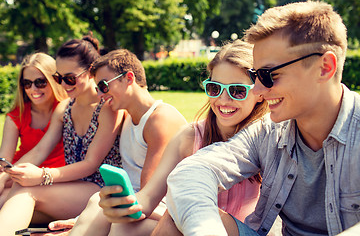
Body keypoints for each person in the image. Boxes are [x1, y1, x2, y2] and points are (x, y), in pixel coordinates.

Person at [165, 0, 360, 236]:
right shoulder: (269, 132)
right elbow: (191, 173)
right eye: (256, 75)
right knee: (176, 216)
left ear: (325, 67)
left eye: (268, 75)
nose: (256, 90)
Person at [97, 39, 269, 236]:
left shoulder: (268, 137)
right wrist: (122, 204)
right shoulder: (189, 136)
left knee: (174, 215)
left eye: (237, 91)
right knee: (122, 226)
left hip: (246, 231)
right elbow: (147, 199)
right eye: (214, 88)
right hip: (194, 228)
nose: (222, 100)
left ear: (259, 93)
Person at [41, 48, 187, 236]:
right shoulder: (125, 117)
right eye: (97, 89)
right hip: (131, 209)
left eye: (103, 86)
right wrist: (82, 219)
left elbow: (148, 197)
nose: (101, 94)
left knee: (117, 225)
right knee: (96, 203)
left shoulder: (160, 120)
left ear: (129, 78)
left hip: (168, 216)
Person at [0, 35, 123, 236]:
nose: (64, 85)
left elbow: (91, 164)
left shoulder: (107, 108)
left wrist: (42, 176)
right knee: (14, 190)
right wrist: (6, 175)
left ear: (91, 71)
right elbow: (40, 150)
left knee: (26, 191)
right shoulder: (65, 107)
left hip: (101, 190)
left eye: (70, 78)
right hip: (73, 187)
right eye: (59, 78)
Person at [0, 52, 68, 206]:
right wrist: (4, 177)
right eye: (27, 83)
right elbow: (5, 162)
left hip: (54, 177)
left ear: (54, 80)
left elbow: (40, 151)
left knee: (6, 198)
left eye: (40, 82)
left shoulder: (66, 110)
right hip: (18, 174)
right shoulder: (16, 116)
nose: (33, 89)